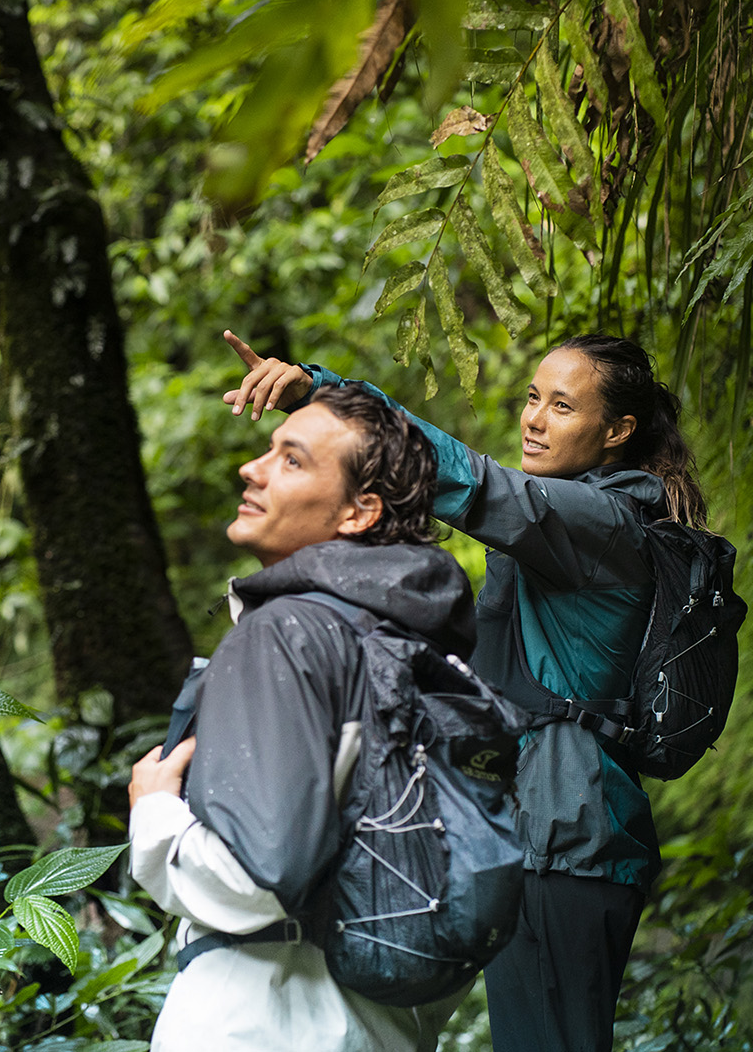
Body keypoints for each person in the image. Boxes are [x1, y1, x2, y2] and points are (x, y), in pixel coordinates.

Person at [220, 331, 707, 1052]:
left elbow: (473, 483)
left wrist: (324, 395)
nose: (535, 419)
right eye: (533, 398)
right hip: (552, 827)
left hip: (566, 831)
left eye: (563, 406)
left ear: (617, 433)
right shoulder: (583, 518)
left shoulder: (598, 522)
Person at [128, 383, 475, 1052]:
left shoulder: (286, 634)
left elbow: (256, 875)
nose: (251, 469)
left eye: (292, 460)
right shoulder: (415, 642)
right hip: (380, 1021)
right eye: (268, 452)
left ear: (357, 512)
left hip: (256, 1020)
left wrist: (155, 812)